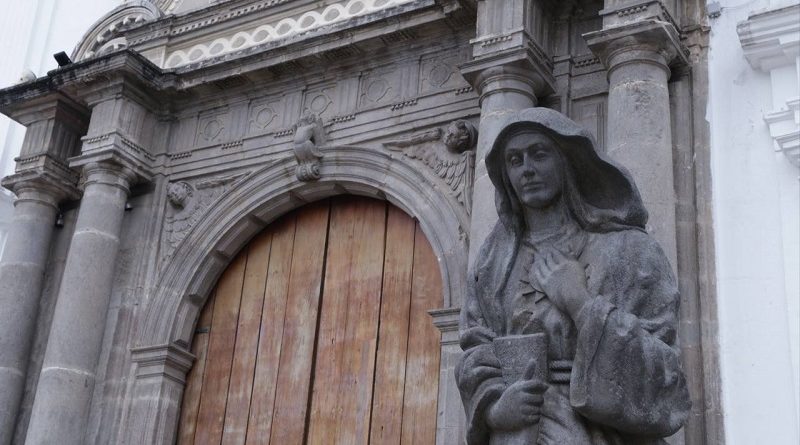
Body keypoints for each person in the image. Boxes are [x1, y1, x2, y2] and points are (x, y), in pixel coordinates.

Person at [455, 108, 691, 444]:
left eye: (539, 155)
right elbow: (474, 354)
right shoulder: (493, 264)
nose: (527, 170)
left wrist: (579, 302)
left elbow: (664, 373)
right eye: (515, 160)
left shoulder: (630, 251)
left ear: (567, 161)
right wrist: (494, 408)